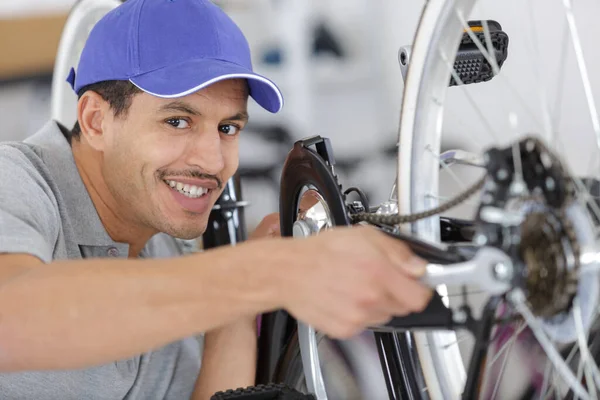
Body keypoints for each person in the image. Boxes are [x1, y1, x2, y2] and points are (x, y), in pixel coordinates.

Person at [0, 0, 432, 398]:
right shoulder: (14, 179)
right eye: (177, 121)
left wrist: (242, 304)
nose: (213, 161)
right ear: (96, 121)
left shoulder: (169, 246)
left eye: (228, 128)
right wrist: (261, 273)